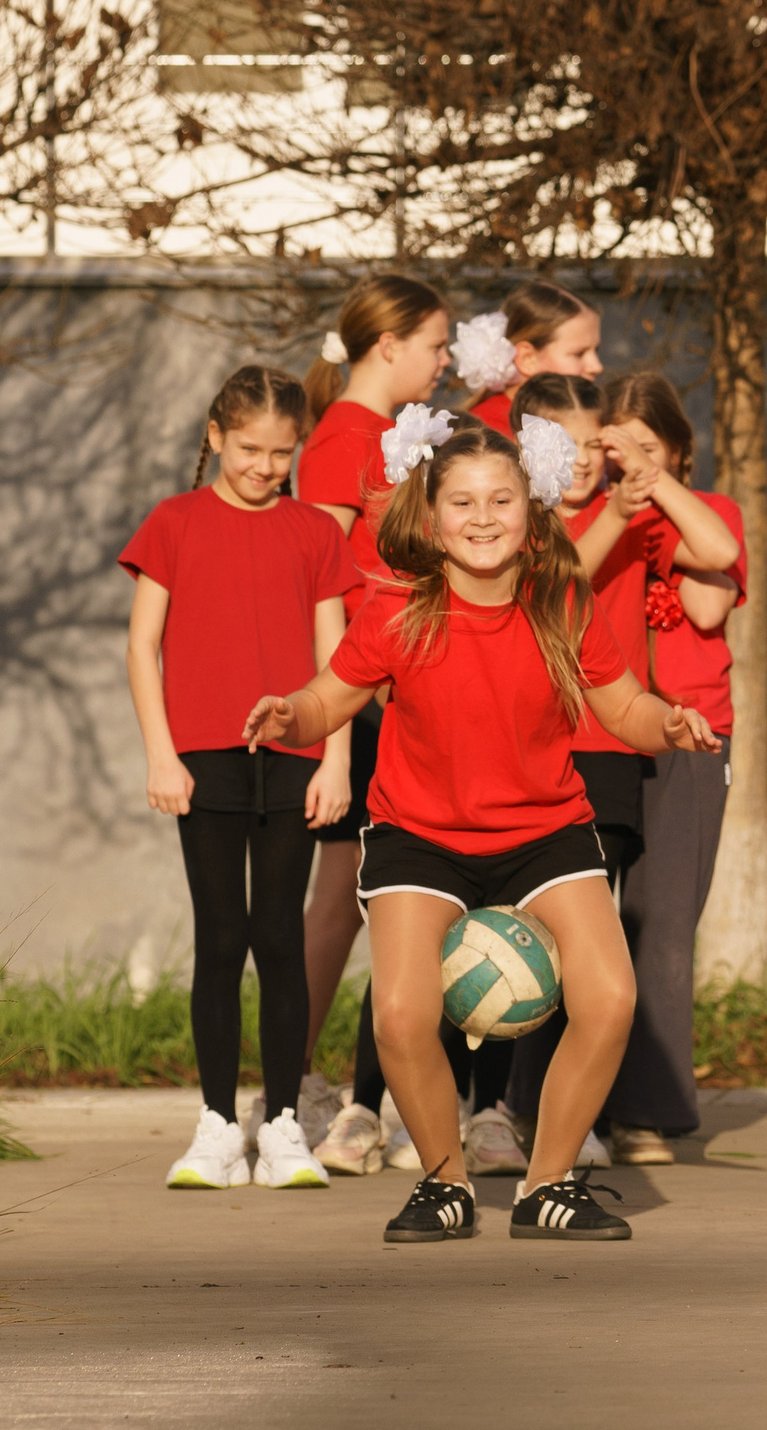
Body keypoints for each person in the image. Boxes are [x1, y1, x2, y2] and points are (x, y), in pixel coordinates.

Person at [243, 415, 719, 1244]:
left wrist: (669, 724)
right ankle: (444, 1183)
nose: (483, 516)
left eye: (502, 499)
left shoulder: (561, 602)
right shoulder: (397, 611)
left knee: (610, 998)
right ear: (431, 518)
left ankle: (546, 1186)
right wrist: (290, 715)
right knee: (400, 1013)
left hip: (545, 832)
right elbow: (328, 698)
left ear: (531, 511)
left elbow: (625, 708)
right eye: (462, 502)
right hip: (419, 836)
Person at [125, 366, 361, 1191]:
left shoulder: (315, 532)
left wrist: (336, 760)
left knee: (281, 938)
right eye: (250, 449)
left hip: (295, 757)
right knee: (221, 938)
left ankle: (285, 1124)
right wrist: (162, 754)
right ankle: (220, 1127)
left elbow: (337, 659)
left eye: (281, 453)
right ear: (216, 436)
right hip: (204, 758)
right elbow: (141, 648)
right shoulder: (174, 522)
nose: (265, 467)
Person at [501, 372, 738, 1165]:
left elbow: (719, 556)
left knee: (618, 933)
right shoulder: (524, 522)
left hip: (615, 749)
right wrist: (615, 509)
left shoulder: (636, 514)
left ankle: (624, 1114)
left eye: (590, 444)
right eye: (563, 444)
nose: (581, 459)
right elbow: (553, 582)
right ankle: (532, 1109)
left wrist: (645, 477)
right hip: (543, 747)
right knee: (549, 936)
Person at [293, 277, 454, 1177]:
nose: (445, 361)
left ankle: (330, 1082)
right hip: (369, 691)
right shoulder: (342, 440)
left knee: (356, 894)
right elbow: (317, 581)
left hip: (403, 685)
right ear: (387, 344)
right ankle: (293, 1082)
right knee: (343, 896)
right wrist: (351, 705)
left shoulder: (392, 435)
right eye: (435, 344)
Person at [594, 372, 745, 1163]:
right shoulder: (601, 520)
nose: (631, 466)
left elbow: (708, 601)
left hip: (692, 735)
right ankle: (561, 1103)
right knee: (587, 920)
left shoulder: (705, 511)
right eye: (618, 451)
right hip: (603, 734)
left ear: (679, 450)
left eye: (648, 448)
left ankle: (645, 1113)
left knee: (663, 923)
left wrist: (656, 488)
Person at [455, 282, 606, 434]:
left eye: (596, 350)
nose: (596, 366)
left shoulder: (594, 419)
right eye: (579, 354)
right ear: (527, 359)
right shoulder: (491, 433)